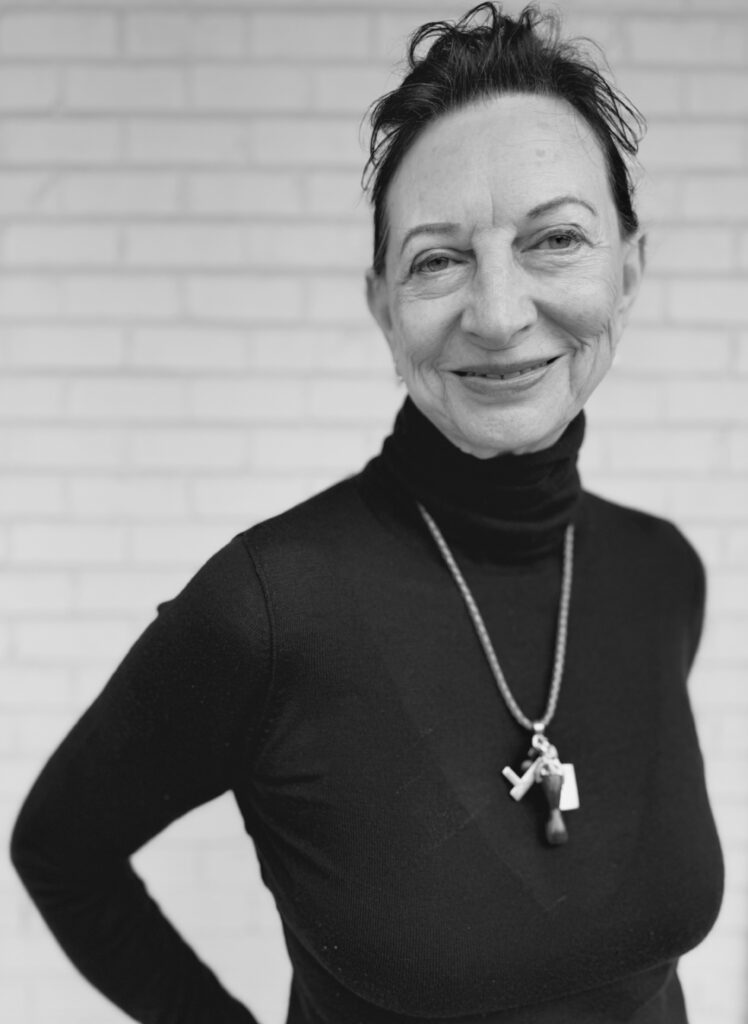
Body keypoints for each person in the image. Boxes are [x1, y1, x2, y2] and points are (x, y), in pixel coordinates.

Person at [11, 4, 723, 1023]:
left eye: (556, 239)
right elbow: (61, 847)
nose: (497, 313)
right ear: (384, 306)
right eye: (437, 259)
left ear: (629, 270)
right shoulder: (269, 607)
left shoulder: (661, 576)